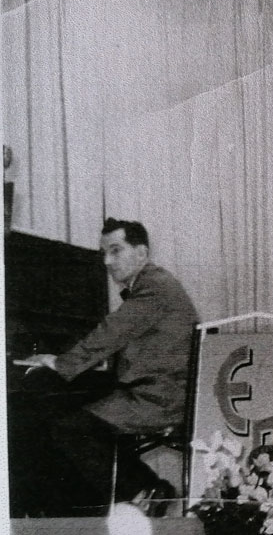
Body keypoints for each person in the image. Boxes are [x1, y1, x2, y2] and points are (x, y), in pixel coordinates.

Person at [21, 218, 199, 513]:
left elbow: (111, 332)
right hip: (152, 389)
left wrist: (60, 362)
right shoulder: (151, 284)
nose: (106, 261)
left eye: (115, 251)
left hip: (161, 398)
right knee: (60, 414)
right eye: (104, 253)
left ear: (141, 253)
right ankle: (78, 508)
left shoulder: (154, 286)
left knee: (70, 427)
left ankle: (145, 489)